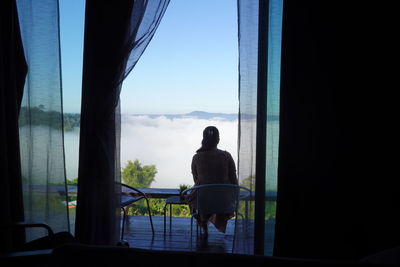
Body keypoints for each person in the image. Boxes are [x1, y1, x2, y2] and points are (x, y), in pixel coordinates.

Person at [186, 126, 238, 237]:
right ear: (218, 140)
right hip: (225, 203)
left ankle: (203, 223)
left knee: (192, 197)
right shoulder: (227, 156)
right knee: (216, 197)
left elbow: (196, 180)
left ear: (203, 139)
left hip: (203, 203)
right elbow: (234, 180)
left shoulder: (196, 157)